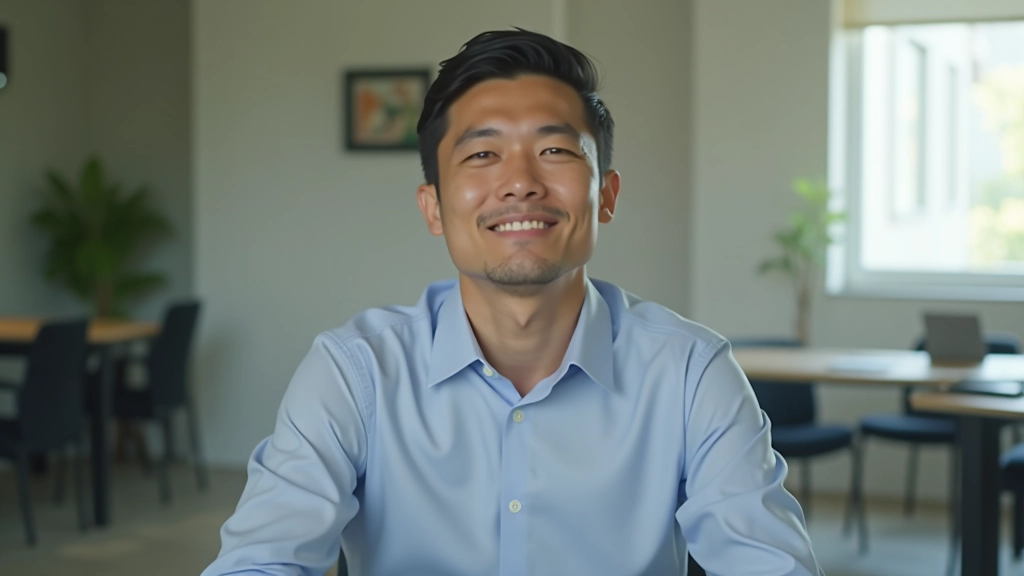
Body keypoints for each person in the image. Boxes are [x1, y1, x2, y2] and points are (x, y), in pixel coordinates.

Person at [202, 28, 822, 576]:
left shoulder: (691, 372)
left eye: (554, 150)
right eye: (482, 154)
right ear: (434, 208)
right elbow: (260, 561)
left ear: (605, 195)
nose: (521, 181)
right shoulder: (355, 373)